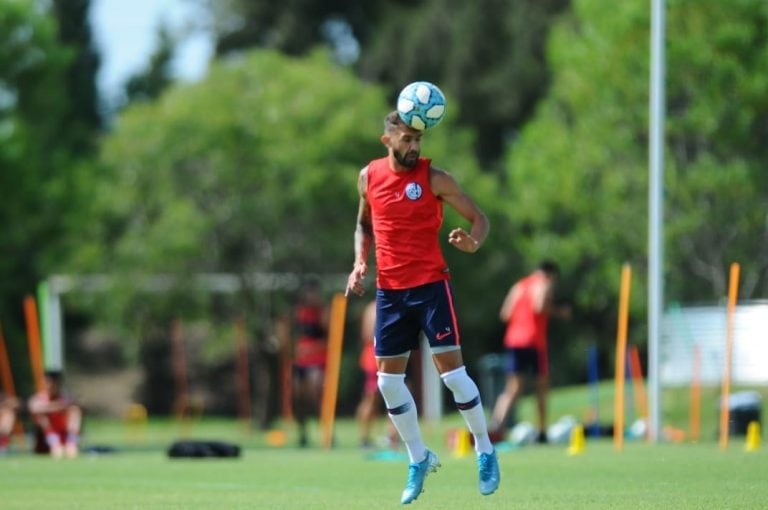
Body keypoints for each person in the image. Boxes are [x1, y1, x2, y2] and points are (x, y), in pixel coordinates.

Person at [346, 110, 500, 504]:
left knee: (452, 375)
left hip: (431, 287)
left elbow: (478, 217)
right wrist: (360, 262)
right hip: (390, 293)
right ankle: (419, 457)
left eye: (419, 140)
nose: (415, 146)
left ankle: (484, 448)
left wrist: (473, 241)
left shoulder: (435, 178)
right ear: (388, 141)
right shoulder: (368, 177)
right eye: (408, 139)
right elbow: (364, 225)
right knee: (386, 382)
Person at [489, 261, 570, 444]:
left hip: (514, 340)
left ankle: (496, 428)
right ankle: (542, 432)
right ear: (551, 274)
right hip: (534, 341)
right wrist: (559, 311)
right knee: (541, 386)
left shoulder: (519, 285)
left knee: (512, 388)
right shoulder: (544, 283)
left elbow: (505, 313)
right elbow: (539, 306)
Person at [291, 278, 329, 447]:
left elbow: (330, 340)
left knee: (316, 395)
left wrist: (312, 350)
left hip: (317, 360)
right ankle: (302, 432)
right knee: (297, 397)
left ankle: (327, 432)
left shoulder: (323, 313)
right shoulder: (298, 313)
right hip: (300, 362)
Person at [28, 371, 82, 458]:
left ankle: (71, 442)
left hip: (64, 431)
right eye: (48, 382)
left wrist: (59, 406)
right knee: (41, 416)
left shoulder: (65, 397)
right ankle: (54, 443)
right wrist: (58, 406)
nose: (50, 386)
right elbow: (34, 409)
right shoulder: (39, 398)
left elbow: (77, 405)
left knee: (74, 410)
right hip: (46, 437)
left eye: (53, 383)